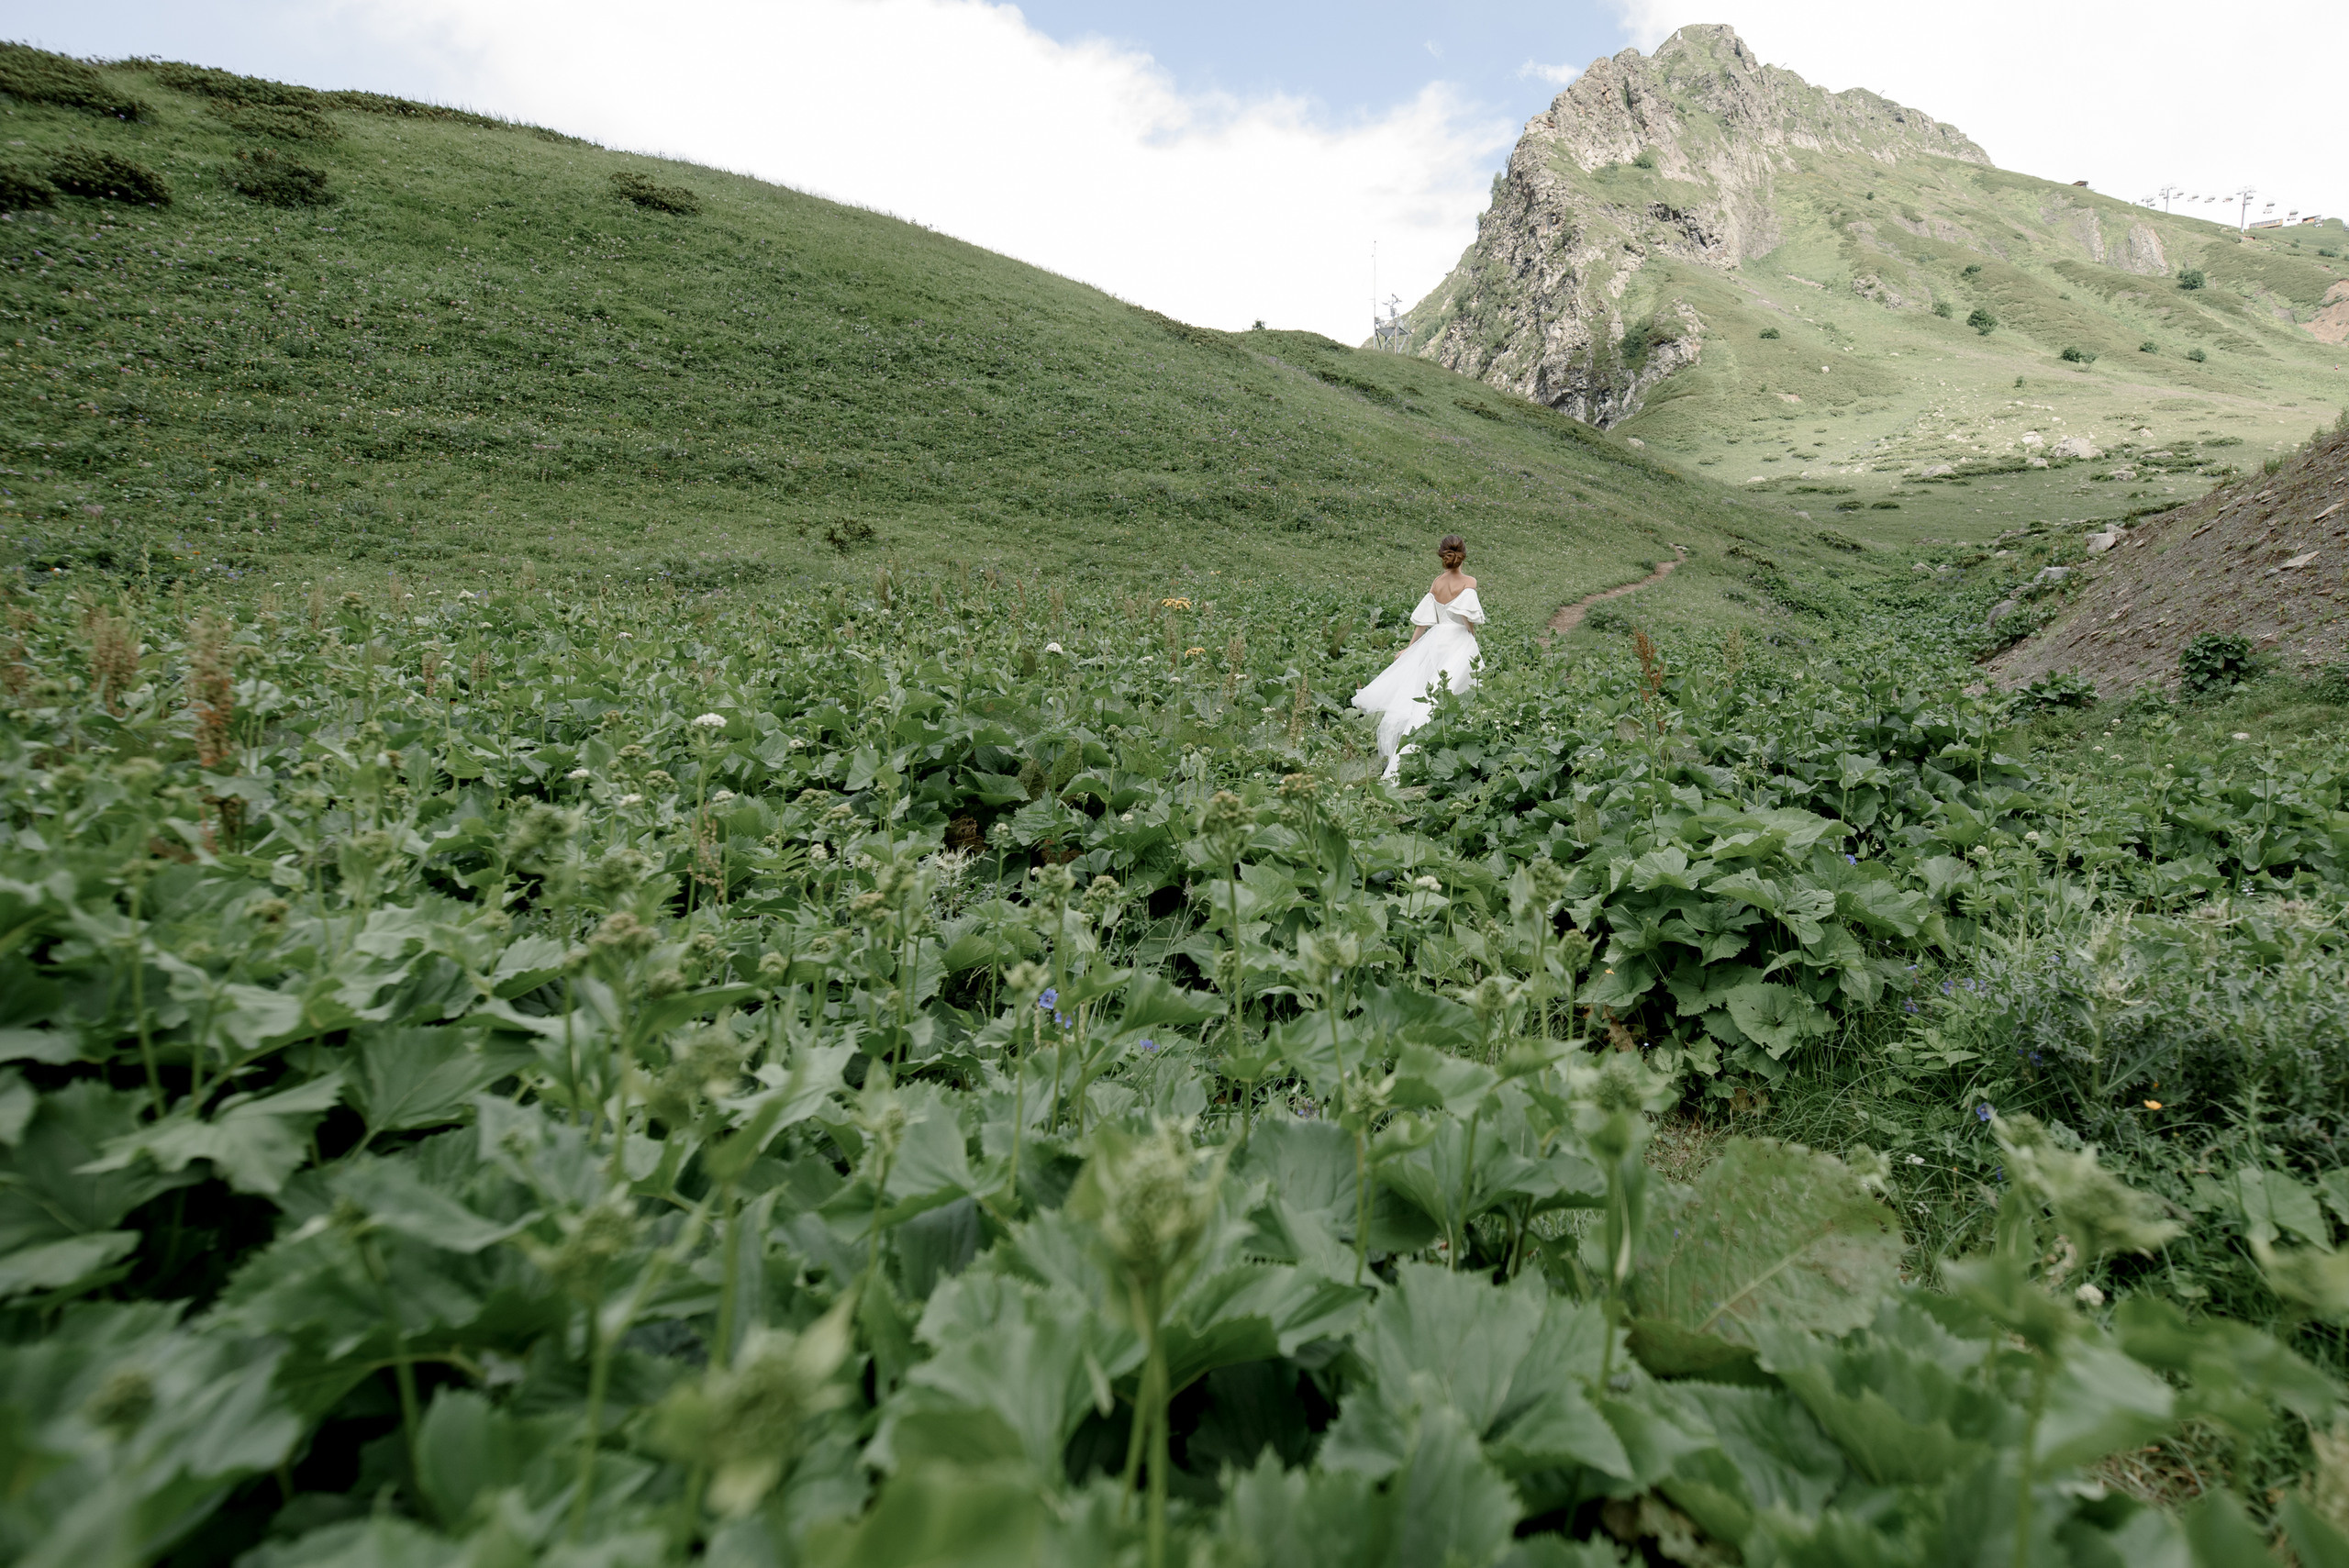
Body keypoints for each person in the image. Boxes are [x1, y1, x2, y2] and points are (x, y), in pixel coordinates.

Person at [1350, 534, 1485, 778]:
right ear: (1463, 555)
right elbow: (1467, 618)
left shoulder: (1437, 583)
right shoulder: (1469, 582)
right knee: (1453, 688)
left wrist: (1410, 648)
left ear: (1443, 556)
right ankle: (1439, 743)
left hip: (1435, 639)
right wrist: (1472, 637)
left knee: (1428, 689)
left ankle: (1416, 745)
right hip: (1457, 639)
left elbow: (1422, 624)